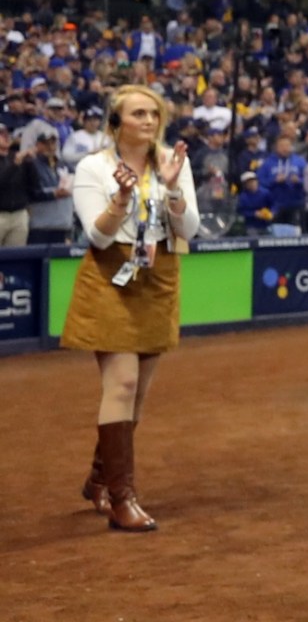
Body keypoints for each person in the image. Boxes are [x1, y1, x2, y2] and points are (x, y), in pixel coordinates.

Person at [63, 85, 199, 534]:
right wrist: (121, 200)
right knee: (120, 383)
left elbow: (189, 229)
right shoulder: (93, 167)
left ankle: (100, 478)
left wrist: (175, 188)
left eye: (154, 113)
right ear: (116, 123)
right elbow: (97, 236)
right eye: (138, 113)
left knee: (136, 394)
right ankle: (123, 498)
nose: (149, 120)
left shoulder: (172, 163)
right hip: (111, 276)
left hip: (158, 279)